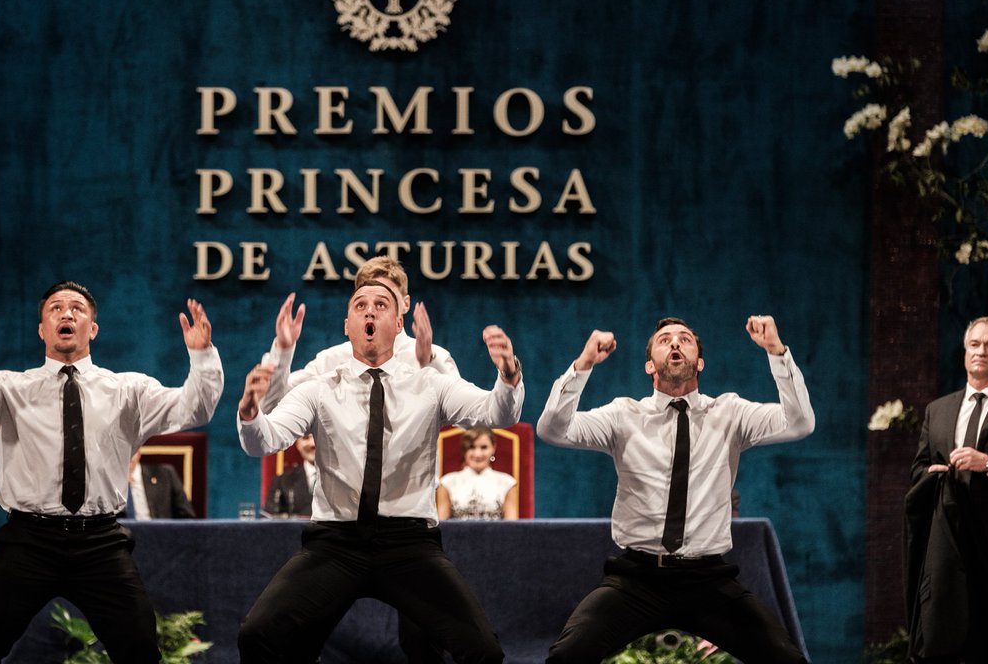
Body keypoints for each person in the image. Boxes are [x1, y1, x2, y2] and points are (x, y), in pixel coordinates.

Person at [0, 282, 223, 664]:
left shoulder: (128, 390)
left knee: (141, 650)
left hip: (99, 542)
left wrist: (202, 356)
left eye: (78, 309)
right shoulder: (9, 388)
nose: (67, 314)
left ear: (92, 328)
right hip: (29, 541)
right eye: (56, 309)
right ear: (42, 329)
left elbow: (195, 409)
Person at [236, 280, 523, 663]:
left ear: (399, 322)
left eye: (381, 305)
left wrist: (507, 376)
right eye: (360, 305)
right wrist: (250, 413)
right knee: (258, 636)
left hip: (409, 544)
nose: (370, 311)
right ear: (347, 325)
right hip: (336, 544)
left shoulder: (432, 385)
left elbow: (495, 414)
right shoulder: (319, 390)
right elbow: (263, 442)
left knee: (483, 651)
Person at [537, 316, 813, 664]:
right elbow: (552, 430)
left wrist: (776, 351)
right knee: (567, 656)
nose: (675, 343)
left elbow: (800, 422)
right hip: (637, 579)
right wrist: (583, 365)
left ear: (699, 362)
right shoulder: (623, 415)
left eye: (685, 339)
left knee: (788, 659)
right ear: (650, 364)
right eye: (664, 339)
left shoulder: (730, 412)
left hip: (707, 580)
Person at [906, 316, 988, 663]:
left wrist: (987, 462)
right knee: (939, 638)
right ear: (964, 352)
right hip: (945, 544)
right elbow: (918, 467)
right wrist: (930, 473)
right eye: (975, 344)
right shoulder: (939, 409)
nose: (981, 352)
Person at [260, 255, 459, 412]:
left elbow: (460, 415)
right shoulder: (331, 361)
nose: (372, 310)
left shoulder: (434, 357)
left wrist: (428, 361)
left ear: (405, 304)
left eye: (384, 300)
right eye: (364, 301)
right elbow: (272, 407)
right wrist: (283, 352)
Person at [437, 427, 517, 520]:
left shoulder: (507, 483)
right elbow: (442, 525)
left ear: (493, 448)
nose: (478, 454)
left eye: (484, 447)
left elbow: (512, 526)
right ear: (464, 450)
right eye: (471, 447)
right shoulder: (447, 482)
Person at [122, 448, 197, 520]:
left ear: (138, 452)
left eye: (131, 449)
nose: (126, 455)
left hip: (159, 531)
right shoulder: (110, 484)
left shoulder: (165, 475)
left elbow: (187, 518)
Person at [264, 432, 316, 517]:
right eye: (306, 438)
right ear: (298, 444)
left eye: (317, 437)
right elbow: (269, 520)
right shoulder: (282, 482)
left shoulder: (343, 479)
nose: (312, 444)